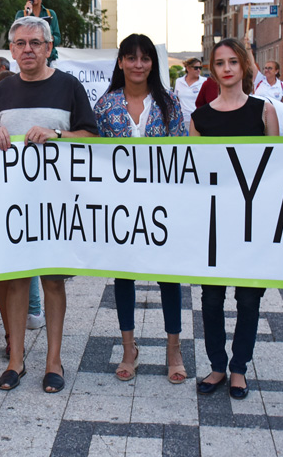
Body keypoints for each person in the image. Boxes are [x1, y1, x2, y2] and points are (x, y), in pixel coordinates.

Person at [0, 16, 98, 393]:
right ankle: (16, 360)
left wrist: (58, 134)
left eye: (35, 42)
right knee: (15, 280)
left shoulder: (68, 86)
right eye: (19, 43)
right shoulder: (2, 90)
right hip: (11, 205)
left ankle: (54, 361)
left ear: (48, 48)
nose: (27, 49)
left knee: (51, 281)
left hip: (56, 205)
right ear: (11, 51)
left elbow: (92, 136)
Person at [93, 34, 188, 384]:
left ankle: (173, 348)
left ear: (153, 63)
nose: (137, 64)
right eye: (130, 58)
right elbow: (96, 158)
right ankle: (128, 348)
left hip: (162, 203)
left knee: (168, 276)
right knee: (124, 274)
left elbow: (181, 153)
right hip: (121, 206)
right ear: (120, 63)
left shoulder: (169, 103)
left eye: (145, 58)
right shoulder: (105, 106)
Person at [190, 38, 279, 400]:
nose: (226, 68)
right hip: (213, 222)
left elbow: (279, 167)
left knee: (248, 299)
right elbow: (191, 173)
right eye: (220, 63)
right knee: (210, 300)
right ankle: (216, 365)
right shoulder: (200, 118)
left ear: (244, 66)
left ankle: (239, 367)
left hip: (251, 221)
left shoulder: (264, 111)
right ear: (213, 69)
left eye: (232, 62)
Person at [15, 0, 61, 64]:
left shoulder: (50, 13)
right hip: (28, 59)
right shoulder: (21, 14)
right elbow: (17, 37)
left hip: (49, 59)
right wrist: (28, 15)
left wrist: (48, 37)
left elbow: (58, 38)